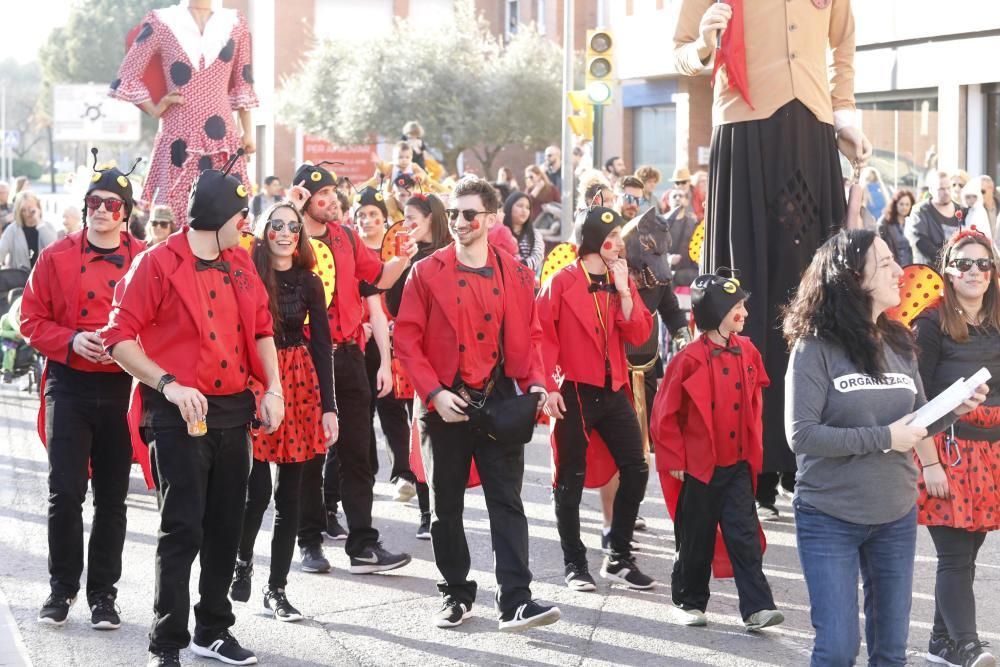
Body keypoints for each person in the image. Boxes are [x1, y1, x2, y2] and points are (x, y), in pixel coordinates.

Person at [675, 0, 871, 521]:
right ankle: (752, 459)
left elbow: (842, 44)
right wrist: (701, 46)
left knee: (814, 291)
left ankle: (807, 451)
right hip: (745, 131)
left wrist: (845, 115)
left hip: (812, 131)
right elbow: (681, 53)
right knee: (748, 291)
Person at [101, 155, 283, 667]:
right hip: (178, 412)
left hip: (234, 411)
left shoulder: (242, 261)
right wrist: (170, 384)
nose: (246, 225)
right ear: (215, 215)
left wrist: (275, 389)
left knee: (227, 526)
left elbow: (263, 330)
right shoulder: (156, 263)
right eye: (240, 215)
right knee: (182, 529)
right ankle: (168, 642)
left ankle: (213, 630)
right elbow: (118, 337)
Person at [783, 229, 987, 667]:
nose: (901, 270)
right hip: (829, 517)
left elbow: (916, 419)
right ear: (853, 277)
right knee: (837, 650)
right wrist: (883, 439)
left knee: (891, 654)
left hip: (895, 516)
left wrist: (955, 409)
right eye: (887, 263)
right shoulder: (814, 346)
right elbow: (801, 436)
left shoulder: (897, 339)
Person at [394, 176, 560, 631]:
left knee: (507, 502)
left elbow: (531, 334)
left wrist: (537, 383)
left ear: (491, 218)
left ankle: (516, 600)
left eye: (469, 214)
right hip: (444, 405)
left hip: (500, 403)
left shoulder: (516, 271)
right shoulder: (426, 271)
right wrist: (434, 393)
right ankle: (455, 592)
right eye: (454, 213)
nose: (460, 221)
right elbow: (406, 339)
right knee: (446, 507)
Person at [19, 153, 145, 630]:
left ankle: (103, 596)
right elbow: (29, 320)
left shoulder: (145, 259)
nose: (101, 210)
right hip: (69, 386)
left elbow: (162, 320)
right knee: (64, 493)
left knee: (112, 497)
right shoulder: (55, 256)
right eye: (94, 202)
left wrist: (128, 349)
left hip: (122, 388)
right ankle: (61, 589)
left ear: (125, 212)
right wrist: (71, 340)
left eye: (112, 204)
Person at [287, 162, 415, 576]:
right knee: (307, 453)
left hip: (348, 355)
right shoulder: (288, 238)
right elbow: (259, 259)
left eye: (332, 196)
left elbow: (377, 278)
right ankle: (309, 541)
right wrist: (286, 209)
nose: (330, 203)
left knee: (358, 452)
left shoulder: (345, 237)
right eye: (319, 196)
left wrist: (403, 258)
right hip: (304, 358)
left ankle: (363, 543)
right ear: (304, 198)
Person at [651, 270, 783, 632]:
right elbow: (664, 415)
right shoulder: (688, 359)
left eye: (742, 304)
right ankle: (688, 601)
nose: (743, 311)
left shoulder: (749, 350)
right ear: (713, 312)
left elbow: (756, 398)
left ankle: (757, 607)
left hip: (737, 463)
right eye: (735, 306)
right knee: (697, 538)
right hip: (700, 467)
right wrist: (675, 459)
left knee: (744, 535)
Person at [230, 201, 339, 622]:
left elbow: (323, 345)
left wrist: (330, 408)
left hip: (299, 383)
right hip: (257, 380)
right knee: (255, 494)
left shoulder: (310, 281)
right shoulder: (247, 275)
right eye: (276, 225)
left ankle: (276, 589)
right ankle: (241, 563)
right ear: (263, 231)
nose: (285, 232)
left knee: (289, 496)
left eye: (293, 227)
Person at [538, 203, 655, 593]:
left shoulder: (623, 280)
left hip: (613, 387)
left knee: (636, 468)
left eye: (620, 236)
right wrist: (550, 387)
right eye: (614, 236)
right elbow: (541, 337)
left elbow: (638, 335)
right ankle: (574, 564)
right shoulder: (560, 282)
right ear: (593, 240)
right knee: (568, 478)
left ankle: (618, 557)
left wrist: (624, 293)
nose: (620, 243)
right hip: (572, 389)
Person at [912, 228, 1000, 667]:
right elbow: (917, 397)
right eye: (964, 262)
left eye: (983, 263)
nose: (975, 271)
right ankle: (967, 645)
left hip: (992, 453)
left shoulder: (999, 320)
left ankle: (939, 641)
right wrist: (929, 463)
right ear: (947, 269)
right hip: (945, 450)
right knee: (953, 554)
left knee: (969, 555)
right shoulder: (930, 322)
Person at [111, 0, 258, 224]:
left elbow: (243, 81)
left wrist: (248, 132)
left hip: (223, 139)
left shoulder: (234, 23)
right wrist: (154, 108)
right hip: (177, 135)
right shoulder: (162, 21)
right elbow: (128, 73)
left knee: (228, 213)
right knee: (174, 218)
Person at [384, 192, 452, 539]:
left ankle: (445, 509)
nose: (406, 225)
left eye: (413, 218)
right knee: (420, 433)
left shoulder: (451, 253)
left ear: (432, 218)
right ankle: (428, 513)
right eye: (404, 218)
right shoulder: (406, 256)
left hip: (451, 356)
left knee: (450, 438)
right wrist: (401, 265)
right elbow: (394, 305)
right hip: (418, 357)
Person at [909, 171, 965, 266]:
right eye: (941, 189)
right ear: (931, 190)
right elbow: (920, 241)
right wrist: (945, 259)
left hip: (957, 271)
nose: (946, 192)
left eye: (948, 188)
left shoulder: (961, 210)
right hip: (931, 272)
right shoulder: (921, 211)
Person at [0, 191, 57, 271]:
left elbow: (54, 250)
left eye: (31, 209)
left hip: (43, 278)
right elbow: (1, 251)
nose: (27, 214)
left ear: (38, 208)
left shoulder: (47, 227)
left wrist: (39, 222)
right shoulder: (12, 230)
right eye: (23, 210)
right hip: (20, 280)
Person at [663, 188, 699, 287]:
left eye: (681, 196)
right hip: (667, 271)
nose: (678, 198)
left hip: (689, 272)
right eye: (674, 196)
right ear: (668, 201)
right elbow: (653, 249)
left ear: (687, 201)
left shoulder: (693, 223)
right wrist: (668, 259)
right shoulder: (660, 223)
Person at [502, 191, 544, 275]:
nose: (524, 210)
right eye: (520, 206)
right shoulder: (500, 231)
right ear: (509, 207)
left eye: (527, 207)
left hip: (526, 281)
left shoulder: (535, 233)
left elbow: (538, 255)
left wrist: (521, 266)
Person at [878, 189, 916, 266]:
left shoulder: (914, 222)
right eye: (901, 204)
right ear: (895, 204)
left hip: (910, 267)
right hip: (893, 266)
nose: (904, 207)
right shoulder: (885, 222)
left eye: (907, 204)